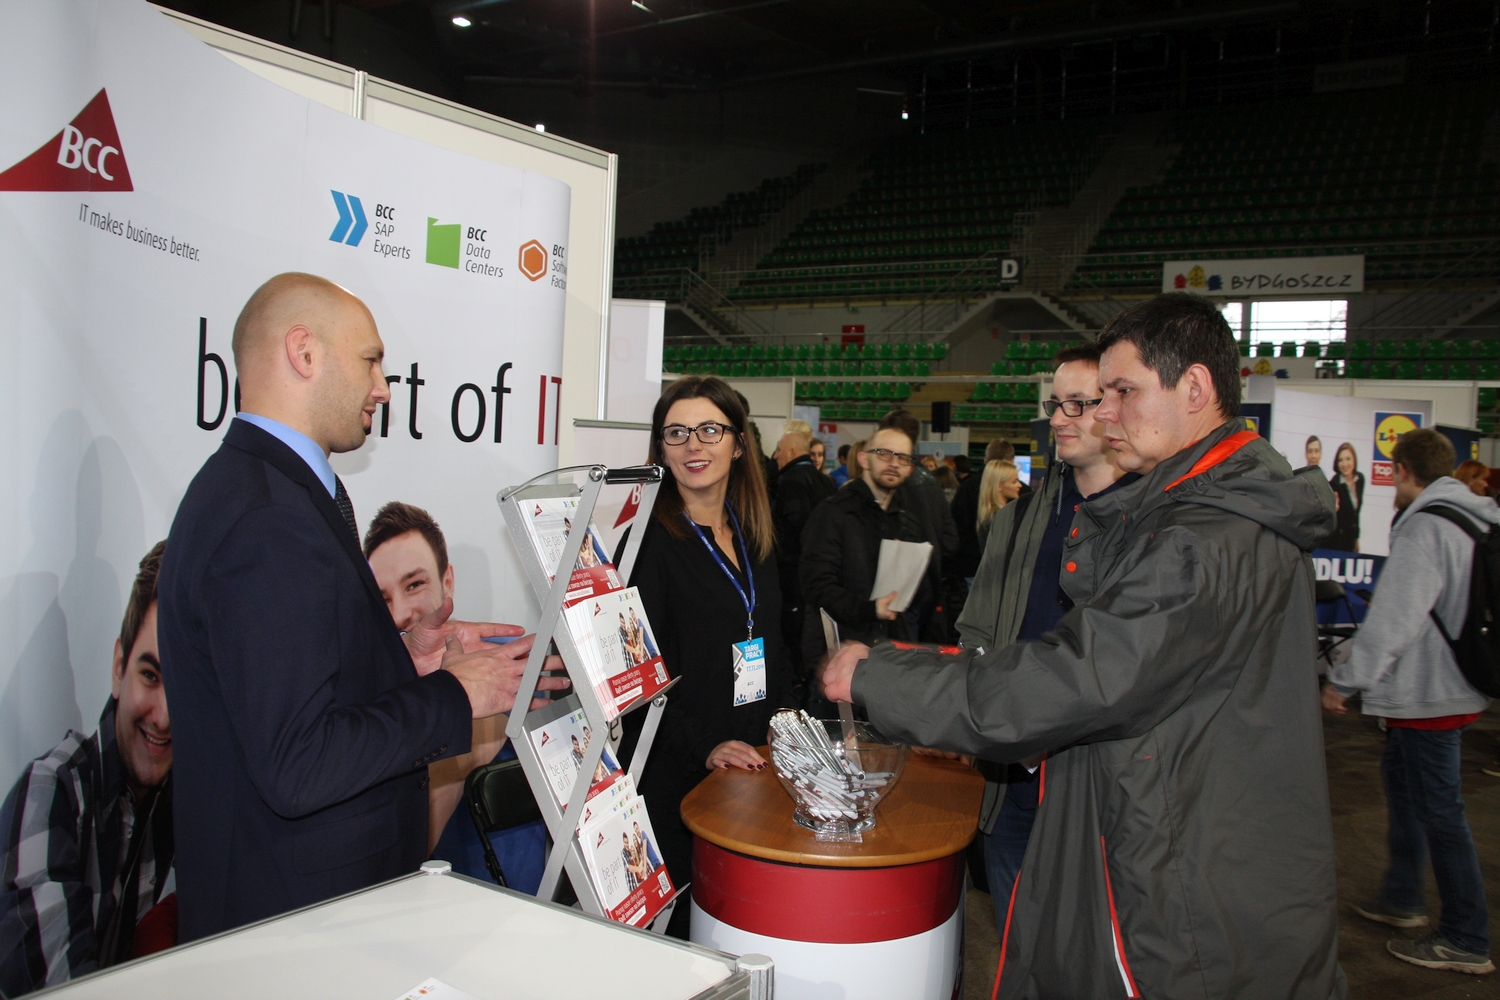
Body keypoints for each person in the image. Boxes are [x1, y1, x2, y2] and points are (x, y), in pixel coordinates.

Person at [822, 292, 1345, 1000]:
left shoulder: (1205, 538)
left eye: (1122, 393)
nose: (1104, 414)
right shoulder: (1192, 516)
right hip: (1175, 844)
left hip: (1179, 890)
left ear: (1194, 388)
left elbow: (1075, 677)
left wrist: (882, 677)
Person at [158, 273, 568, 940]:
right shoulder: (267, 518)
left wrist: (404, 664)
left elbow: (289, 690)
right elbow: (298, 763)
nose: (383, 388)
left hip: (307, 910)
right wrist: (454, 694)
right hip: (290, 930)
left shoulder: (275, 491)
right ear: (304, 352)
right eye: (371, 360)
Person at [955, 342, 1132, 938]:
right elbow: (977, 630)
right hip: (1013, 774)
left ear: (1116, 408)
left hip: (1098, 779)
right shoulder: (1014, 522)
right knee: (1017, 936)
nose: (1058, 419)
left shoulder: (1151, 524)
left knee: (1087, 940)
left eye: (1078, 404)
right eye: (1055, 404)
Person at [617, 375, 797, 938]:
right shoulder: (646, 541)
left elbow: (773, 643)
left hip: (753, 765)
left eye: (709, 430)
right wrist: (706, 747)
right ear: (661, 448)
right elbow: (635, 678)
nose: (693, 445)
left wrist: (787, 723)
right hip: (678, 774)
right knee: (679, 935)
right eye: (676, 433)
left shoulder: (754, 532)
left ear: (739, 444)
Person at [1323, 428, 1494, 975]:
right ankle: (1402, 897)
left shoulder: (1425, 527)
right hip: (1452, 682)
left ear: (1401, 470)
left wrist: (1344, 681)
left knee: (1441, 812)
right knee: (1407, 788)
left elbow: (1394, 621)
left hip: (1429, 692)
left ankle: (1466, 936)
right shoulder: (1476, 516)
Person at [0, 543, 175, 996]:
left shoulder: (175, 799)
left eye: (183, 688)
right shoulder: (48, 794)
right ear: (118, 668)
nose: (163, 717)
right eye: (150, 676)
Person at [363, 501, 549, 893]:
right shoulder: (370, 694)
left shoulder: (501, 664)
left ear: (447, 581)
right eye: (383, 599)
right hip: (425, 903)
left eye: (414, 585)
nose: (400, 614)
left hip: (510, 899)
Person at [799, 424, 931, 668]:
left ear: (910, 468)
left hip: (890, 654)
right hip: (838, 655)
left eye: (903, 457)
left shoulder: (908, 520)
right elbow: (816, 586)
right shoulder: (834, 513)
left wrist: (909, 571)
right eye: (884, 453)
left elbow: (923, 593)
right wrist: (870, 609)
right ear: (863, 459)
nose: (894, 463)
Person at [877, 409, 958, 642]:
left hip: (901, 594)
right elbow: (950, 540)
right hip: (930, 589)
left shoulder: (894, 484)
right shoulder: (931, 482)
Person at [771, 426, 837, 697]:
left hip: (793, 574)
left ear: (792, 452)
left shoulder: (790, 482)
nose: (775, 455)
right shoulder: (827, 482)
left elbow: (795, 525)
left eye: (779, 450)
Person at [951, 439, 1017, 585]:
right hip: (1001, 571)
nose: (1017, 485)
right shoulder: (1022, 494)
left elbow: (956, 525)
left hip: (971, 564)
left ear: (986, 458)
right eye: (1014, 481)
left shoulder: (967, 487)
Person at [974, 460, 1021, 548]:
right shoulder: (999, 518)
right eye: (1014, 482)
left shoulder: (992, 515)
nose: (1020, 485)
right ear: (999, 485)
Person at [1328, 441, 1364, 551]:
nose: (1344, 464)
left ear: (1354, 460)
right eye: (1341, 460)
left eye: (1348, 459)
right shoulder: (1333, 484)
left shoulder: (1360, 479)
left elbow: (1356, 514)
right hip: (1336, 541)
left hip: (1351, 540)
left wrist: (1356, 539)